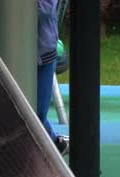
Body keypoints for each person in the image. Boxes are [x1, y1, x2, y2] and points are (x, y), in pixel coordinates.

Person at [38, 0, 69, 155]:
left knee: (37, 112)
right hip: (25, 51)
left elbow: (45, 9)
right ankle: (56, 144)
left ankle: (56, 145)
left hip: (44, 53)